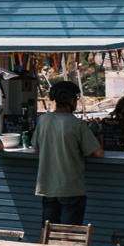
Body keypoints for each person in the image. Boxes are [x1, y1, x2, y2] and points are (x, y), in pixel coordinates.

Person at [32, 80, 102, 226]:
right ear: (71, 100)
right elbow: (98, 153)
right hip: (71, 188)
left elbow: (36, 149)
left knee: (48, 233)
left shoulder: (43, 121)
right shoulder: (77, 124)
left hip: (47, 187)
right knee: (68, 235)